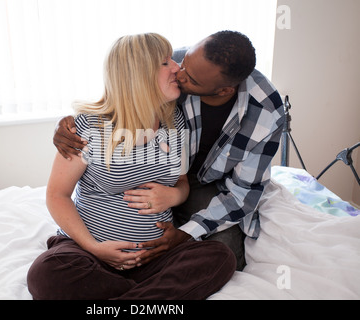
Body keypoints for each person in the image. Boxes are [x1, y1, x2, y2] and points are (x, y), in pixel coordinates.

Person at [54, 31, 285, 272]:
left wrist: (183, 232)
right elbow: (124, 91)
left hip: (209, 184)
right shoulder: (175, 64)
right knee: (51, 273)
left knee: (226, 257)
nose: (178, 72)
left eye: (191, 80)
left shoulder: (266, 113)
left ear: (224, 91)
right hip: (164, 172)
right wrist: (71, 124)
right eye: (181, 64)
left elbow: (242, 194)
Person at [27, 33, 236, 300]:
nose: (177, 67)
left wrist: (175, 195)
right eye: (165, 63)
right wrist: (94, 247)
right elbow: (57, 195)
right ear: (138, 74)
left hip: (154, 259)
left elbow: (181, 181)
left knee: (219, 257)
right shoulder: (88, 126)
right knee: (47, 273)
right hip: (90, 253)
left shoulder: (175, 122)